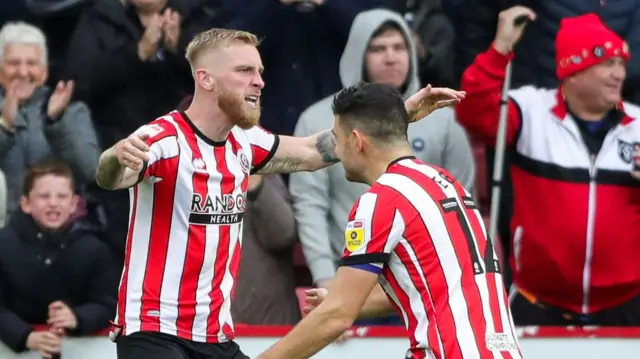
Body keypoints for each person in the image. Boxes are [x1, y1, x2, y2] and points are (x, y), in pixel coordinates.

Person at [94, 28, 465, 359]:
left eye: (259, 72)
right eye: (244, 71)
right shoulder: (164, 139)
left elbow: (313, 152)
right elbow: (111, 177)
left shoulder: (244, 142)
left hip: (214, 336)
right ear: (205, 79)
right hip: (155, 333)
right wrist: (114, 156)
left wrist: (397, 116)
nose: (259, 82)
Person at [256, 82, 520, 359]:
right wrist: (351, 301)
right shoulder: (445, 183)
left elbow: (336, 317)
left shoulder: (382, 200)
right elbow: (430, 287)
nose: (336, 150)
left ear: (357, 141)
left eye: (337, 138)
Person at [455, 7, 640, 326]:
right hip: (538, 303)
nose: (619, 74)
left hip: (626, 305)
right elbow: (474, 111)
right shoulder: (530, 112)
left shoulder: (637, 126)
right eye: (608, 63)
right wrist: (501, 48)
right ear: (575, 69)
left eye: (621, 63)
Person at [290, 8, 475, 326]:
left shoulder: (442, 121)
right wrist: (324, 278)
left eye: (399, 47)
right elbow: (309, 206)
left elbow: (460, 208)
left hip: (427, 286)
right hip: (351, 280)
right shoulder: (317, 120)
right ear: (357, 54)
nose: (391, 58)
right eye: (378, 48)